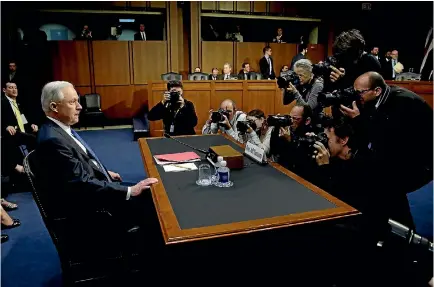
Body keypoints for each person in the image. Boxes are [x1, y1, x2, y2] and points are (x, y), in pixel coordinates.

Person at [32, 81, 159, 221]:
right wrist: (130, 191)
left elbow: (75, 164)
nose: (80, 107)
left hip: (91, 189)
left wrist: (101, 171)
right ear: (54, 107)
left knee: (151, 193)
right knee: (153, 203)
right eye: (72, 102)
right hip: (87, 209)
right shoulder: (53, 140)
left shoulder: (59, 129)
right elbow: (81, 183)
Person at [340, 72, 433, 199]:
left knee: (383, 182)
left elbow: (385, 137)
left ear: (377, 91)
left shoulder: (402, 103)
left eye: (360, 92)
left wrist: (358, 119)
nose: (357, 96)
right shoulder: (377, 98)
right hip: (401, 149)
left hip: (420, 157)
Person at [317, 29, 381, 92]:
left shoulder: (371, 63)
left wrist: (343, 81)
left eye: (346, 58)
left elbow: (368, 93)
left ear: (359, 52)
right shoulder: (338, 59)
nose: (342, 62)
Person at [270, 103, 315, 178]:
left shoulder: (310, 136)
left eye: (295, 119)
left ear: (307, 121)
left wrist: (290, 140)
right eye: (290, 118)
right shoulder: (288, 131)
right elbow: (274, 150)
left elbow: (302, 162)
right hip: (282, 172)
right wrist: (276, 128)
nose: (291, 121)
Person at [282, 59, 324, 126]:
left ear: (310, 73)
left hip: (315, 123)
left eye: (301, 75)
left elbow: (308, 110)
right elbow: (286, 101)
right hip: (302, 123)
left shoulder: (318, 85)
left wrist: (295, 92)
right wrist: (286, 87)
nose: (298, 78)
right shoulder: (301, 83)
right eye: (296, 75)